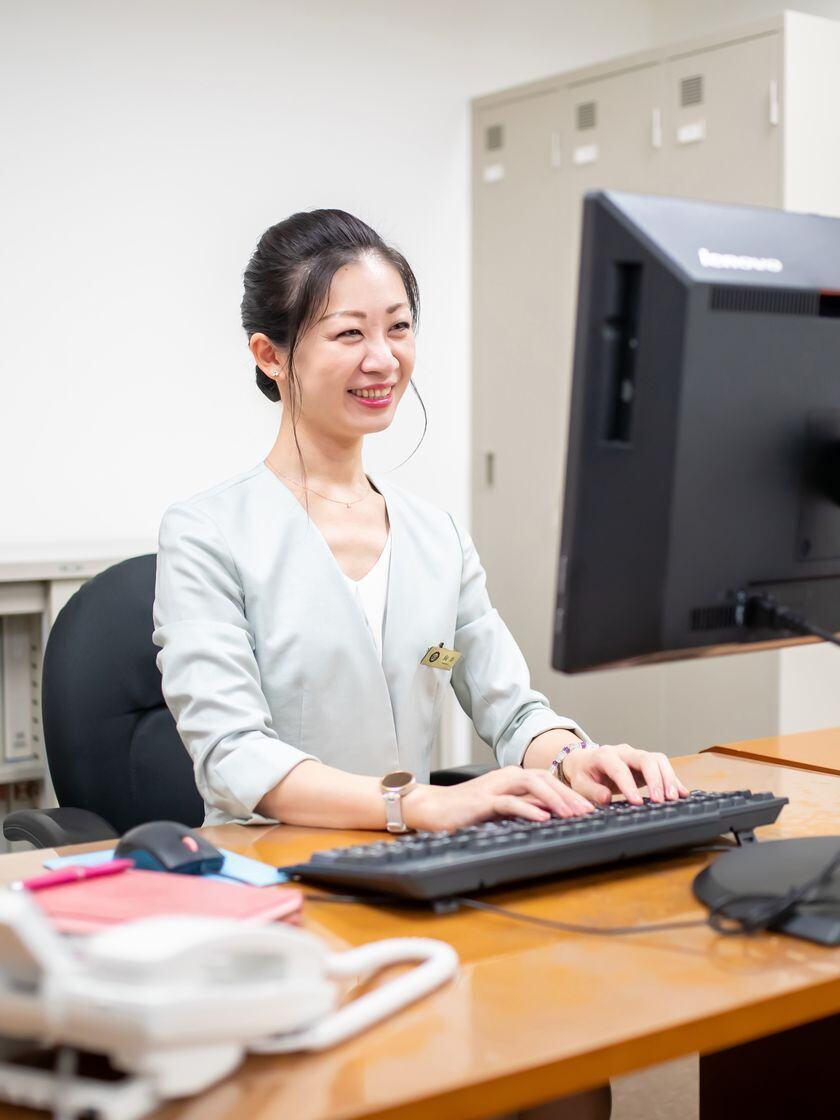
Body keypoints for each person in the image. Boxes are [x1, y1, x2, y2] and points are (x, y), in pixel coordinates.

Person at [152, 209, 687, 1120]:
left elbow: (508, 704)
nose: (383, 358)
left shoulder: (435, 533)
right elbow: (235, 755)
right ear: (271, 354)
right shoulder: (207, 534)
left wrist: (567, 754)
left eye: (398, 327)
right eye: (348, 332)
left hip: (429, 876)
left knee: (564, 1078)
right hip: (283, 893)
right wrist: (415, 805)